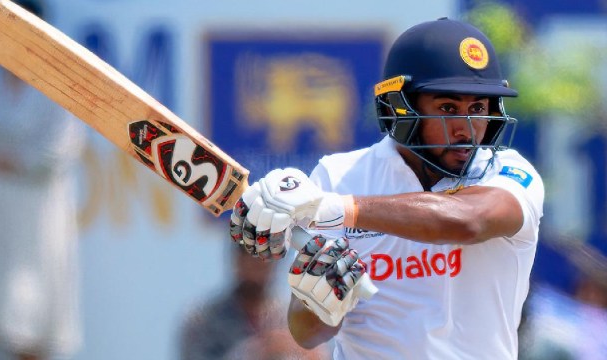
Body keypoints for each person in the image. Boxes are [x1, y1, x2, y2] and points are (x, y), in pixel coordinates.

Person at [229, 18, 544, 359]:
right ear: (402, 108)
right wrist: (320, 301)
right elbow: (307, 334)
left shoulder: (508, 172)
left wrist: (335, 209)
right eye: (448, 108)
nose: (466, 129)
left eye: (478, 108)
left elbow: (466, 221)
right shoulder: (340, 176)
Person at [0, 1, 85, 359]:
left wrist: (0, 161)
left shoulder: (63, 84)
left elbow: (52, 158)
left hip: (37, 223)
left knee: (33, 329)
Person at [179, 246, 329, 359]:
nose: (260, 265)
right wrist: (259, 351)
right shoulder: (203, 319)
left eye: (268, 257)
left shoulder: (287, 317)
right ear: (237, 259)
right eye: (252, 256)